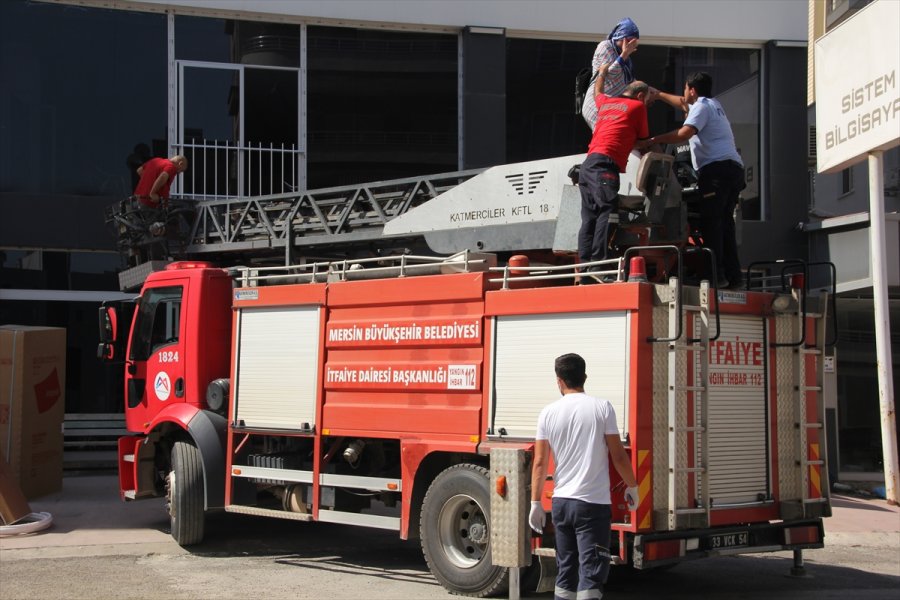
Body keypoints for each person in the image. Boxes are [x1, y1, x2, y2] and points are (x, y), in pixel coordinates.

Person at [530, 353, 638, 600]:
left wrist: (536, 503)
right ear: (585, 377)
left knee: (565, 569)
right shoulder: (602, 407)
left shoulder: (547, 413)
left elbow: (539, 462)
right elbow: (618, 456)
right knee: (591, 571)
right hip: (592, 505)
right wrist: (632, 486)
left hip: (561, 504)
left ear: (559, 381)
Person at [641, 72, 746, 288]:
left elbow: (684, 134)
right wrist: (658, 94)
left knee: (712, 225)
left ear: (692, 90)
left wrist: (654, 139)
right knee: (726, 224)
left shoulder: (701, 107)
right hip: (733, 170)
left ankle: (714, 277)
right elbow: (682, 103)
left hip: (717, 171)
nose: (683, 95)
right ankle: (734, 277)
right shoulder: (713, 104)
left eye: (685, 89)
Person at [577, 61, 650, 282]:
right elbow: (644, 141)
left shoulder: (607, 103)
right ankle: (601, 265)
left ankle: (587, 266)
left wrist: (601, 73)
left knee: (589, 217)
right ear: (640, 97)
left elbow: (598, 91)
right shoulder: (638, 107)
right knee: (608, 212)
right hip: (606, 165)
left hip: (588, 164)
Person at [581, 17, 641, 131]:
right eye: (628, 41)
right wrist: (624, 54)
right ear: (620, 36)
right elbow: (610, 75)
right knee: (606, 134)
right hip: (596, 103)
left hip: (612, 105)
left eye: (634, 42)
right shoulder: (606, 46)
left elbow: (629, 81)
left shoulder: (626, 58)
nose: (630, 45)